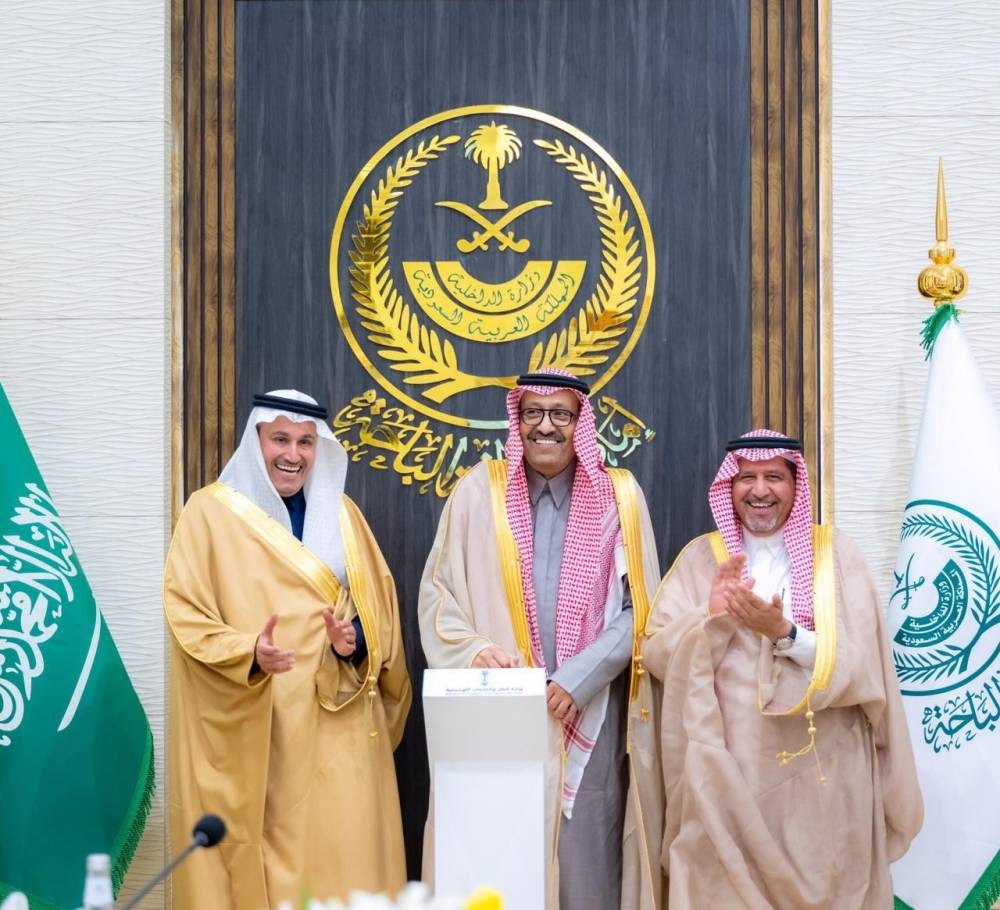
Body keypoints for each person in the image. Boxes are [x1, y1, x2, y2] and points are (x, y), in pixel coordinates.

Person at [644, 429, 923, 908]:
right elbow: (656, 655)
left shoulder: (836, 557)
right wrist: (709, 618)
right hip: (727, 774)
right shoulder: (699, 560)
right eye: (746, 478)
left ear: (796, 485)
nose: (759, 490)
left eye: (774, 477)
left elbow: (865, 667)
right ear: (729, 487)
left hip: (823, 780)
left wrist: (786, 634)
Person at [418, 369, 663, 910]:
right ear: (517, 419)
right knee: (497, 864)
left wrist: (578, 680)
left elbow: (642, 611)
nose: (545, 426)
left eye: (560, 414)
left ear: (580, 422)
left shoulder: (619, 497)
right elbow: (437, 595)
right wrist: (474, 652)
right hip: (496, 717)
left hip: (584, 715)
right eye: (533, 412)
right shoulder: (478, 492)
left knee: (583, 871)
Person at [163, 389, 411, 909]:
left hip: (337, 721)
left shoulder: (342, 515)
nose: (292, 455)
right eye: (280, 439)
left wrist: (353, 642)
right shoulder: (207, 514)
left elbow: (379, 609)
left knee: (344, 857)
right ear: (256, 441)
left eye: (305, 442)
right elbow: (187, 615)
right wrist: (249, 651)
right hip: (260, 721)